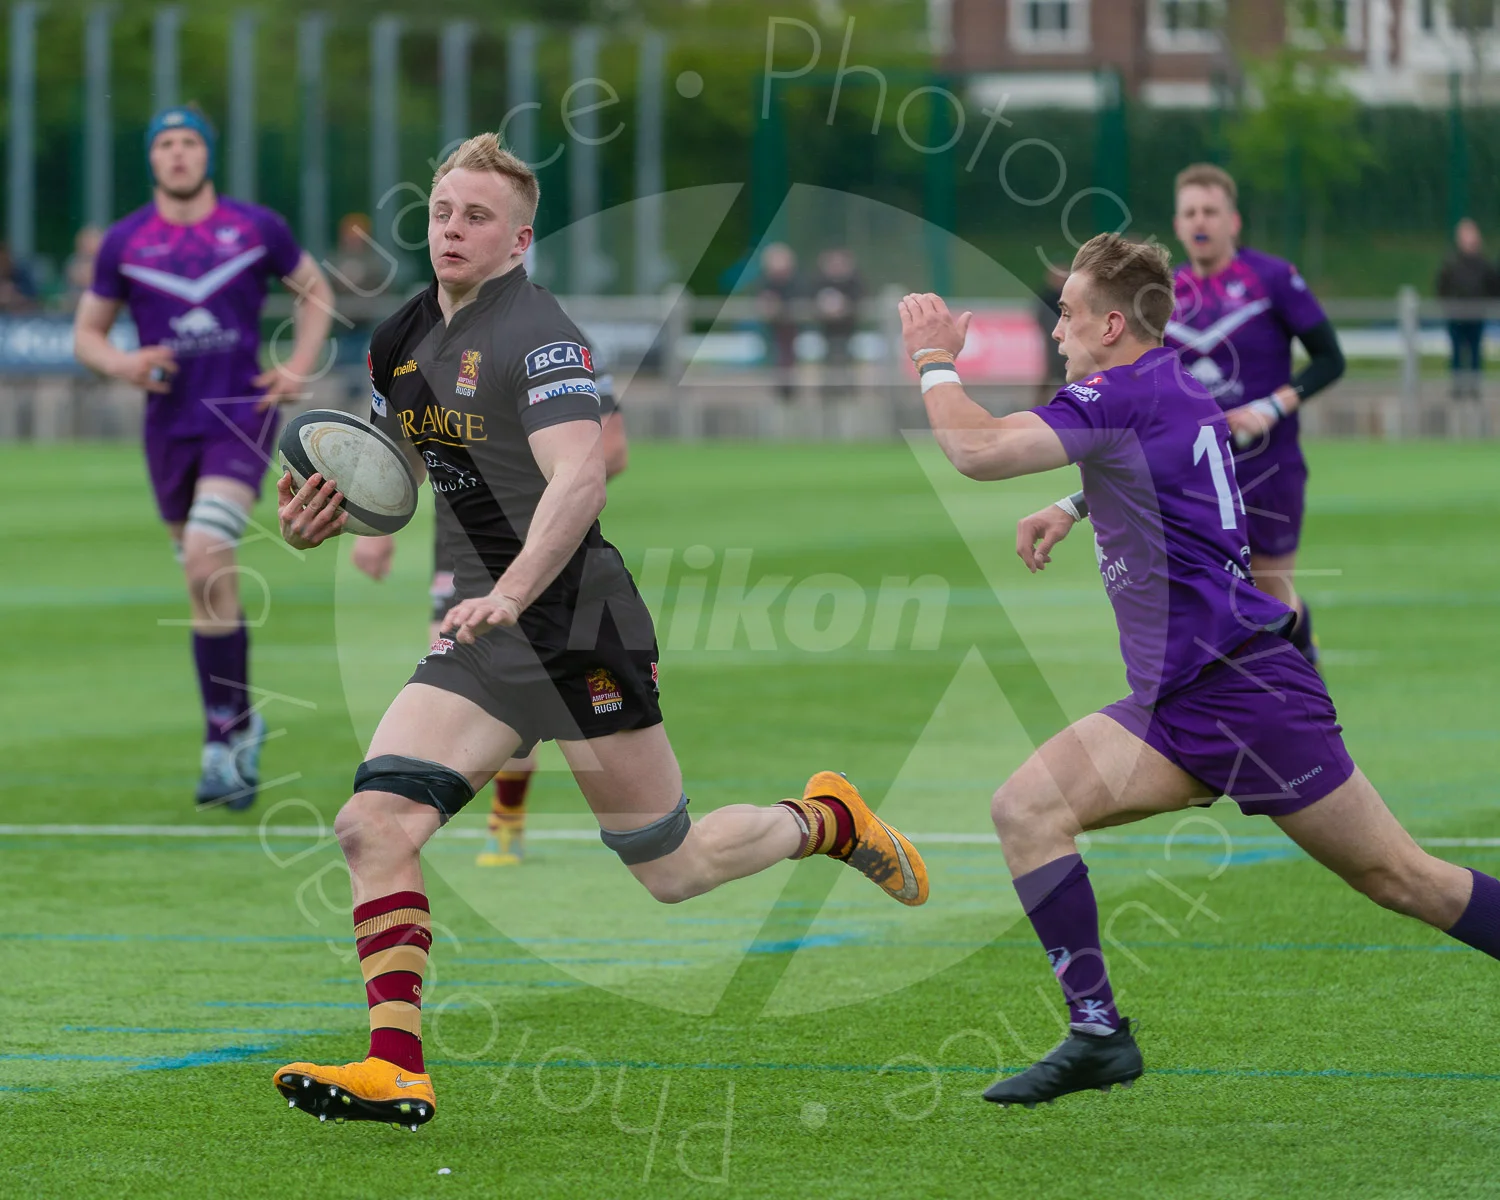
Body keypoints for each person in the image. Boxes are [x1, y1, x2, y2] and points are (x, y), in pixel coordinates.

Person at [270, 133, 928, 1129]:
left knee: (672, 868)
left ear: (519, 238)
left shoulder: (540, 335)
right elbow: (384, 473)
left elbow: (579, 475)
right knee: (375, 822)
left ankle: (823, 821)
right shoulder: (400, 337)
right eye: (444, 211)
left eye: (477, 216)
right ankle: (396, 1064)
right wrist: (320, 517)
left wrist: (514, 587)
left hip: (577, 620)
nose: (453, 229)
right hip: (485, 636)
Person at [899, 233, 1500, 1108]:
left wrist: (931, 360)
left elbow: (977, 451)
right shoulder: (1175, 383)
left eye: (1067, 314)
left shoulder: (1115, 392)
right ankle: (1099, 1033)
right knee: (1026, 809)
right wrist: (1075, 502)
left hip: (1247, 692)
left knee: (1403, 879)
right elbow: (1174, 457)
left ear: (1111, 323)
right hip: (1175, 699)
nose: (1057, 329)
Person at [73, 105, 334, 809]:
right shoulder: (125, 241)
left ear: (207, 155)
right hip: (167, 429)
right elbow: (87, 335)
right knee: (203, 581)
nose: (179, 154)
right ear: (152, 159)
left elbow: (316, 292)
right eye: (166, 143)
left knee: (204, 556)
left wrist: (299, 365)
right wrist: (122, 363)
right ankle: (241, 724)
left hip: (239, 418)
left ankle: (221, 740)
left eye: (190, 142)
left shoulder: (255, 227)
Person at [352, 349, 630, 868]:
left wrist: (541, 495)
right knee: (461, 669)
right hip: (458, 551)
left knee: (664, 856)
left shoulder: (556, 346)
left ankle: (505, 819)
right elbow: (400, 457)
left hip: (542, 555)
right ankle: (411, 817)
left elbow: (610, 452)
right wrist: (367, 521)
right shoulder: (418, 343)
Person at [1164, 164, 1345, 668]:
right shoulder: (1163, 293)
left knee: (1270, 600)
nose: (1201, 221)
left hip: (1269, 466)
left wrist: (1270, 407)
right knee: (1205, 604)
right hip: (1195, 473)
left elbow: (1331, 359)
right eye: (1190, 212)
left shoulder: (1272, 278)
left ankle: (1306, 678)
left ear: (1233, 221)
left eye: (1211, 211)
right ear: (1177, 224)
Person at [1435, 218, 1496, 401]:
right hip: (1456, 315)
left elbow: (1493, 287)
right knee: (1456, 352)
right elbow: (1441, 287)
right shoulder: (1452, 263)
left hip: (1476, 315)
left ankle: (1474, 387)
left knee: (1476, 352)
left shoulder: (1484, 264)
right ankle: (1458, 387)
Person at [756, 242, 800, 402]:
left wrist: (778, 306)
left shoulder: (797, 282)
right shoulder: (763, 282)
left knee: (786, 364)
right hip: (769, 334)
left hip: (790, 334)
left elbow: (798, 301)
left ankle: (787, 396)